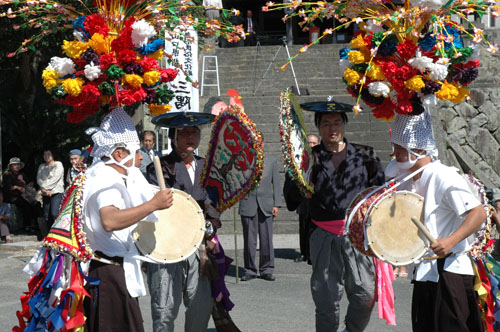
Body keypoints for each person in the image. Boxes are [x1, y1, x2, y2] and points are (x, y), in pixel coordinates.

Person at [283, 100, 385, 332]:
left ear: (345, 124)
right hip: (323, 235)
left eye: (337, 122)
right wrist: (300, 182)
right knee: (326, 298)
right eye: (326, 123)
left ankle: (352, 329)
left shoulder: (365, 154)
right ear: (319, 127)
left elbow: (380, 193)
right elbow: (291, 200)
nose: (332, 128)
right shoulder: (307, 159)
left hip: (357, 236)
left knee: (365, 293)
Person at [390, 111, 486, 332]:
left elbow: (478, 213)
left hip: (450, 269)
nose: (394, 153)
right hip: (424, 270)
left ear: (418, 148)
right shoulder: (404, 178)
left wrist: (451, 241)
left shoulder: (443, 175)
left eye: (399, 147)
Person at [82, 107, 174, 332]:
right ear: (119, 154)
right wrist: (153, 205)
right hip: (108, 273)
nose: (141, 156)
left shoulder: (104, 174)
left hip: (112, 271)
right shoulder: (106, 179)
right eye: (136, 151)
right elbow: (110, 220)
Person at [145, 113, 221, 332]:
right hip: (167, 244)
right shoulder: (159, 168)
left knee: (200, 305)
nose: (190, 137)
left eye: (194, 132)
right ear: (173, 137)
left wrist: (210, 230)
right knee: (164, 308)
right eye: (185, 132)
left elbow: (214, 206)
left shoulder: (207, 167)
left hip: (198, 244)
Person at [238, 147, 282, 281]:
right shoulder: (242, 159)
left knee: (266, 239)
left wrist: (277, 204)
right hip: (248, 202)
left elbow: (277, 183)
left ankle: (267, 269)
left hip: (266, 204)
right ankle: (250, 270)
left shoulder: (271, 160)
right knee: (249, 241)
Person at [294, 133, 319, 263]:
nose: (311, 145)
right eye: (309, 142)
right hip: (303, 197)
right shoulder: (300, 158)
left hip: (316, 197)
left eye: (314, 143)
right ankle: (303, 252)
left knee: (313, 227)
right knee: (303, 226)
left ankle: (311, 253)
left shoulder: (321, 158)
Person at [3, 157, 38, 232]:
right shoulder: (7, 175)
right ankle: (27, 225)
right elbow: (7, 187)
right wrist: (17, 187)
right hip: (13, 197)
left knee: (36, 203)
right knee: (26, 205)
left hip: (24, 195)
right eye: (14, 165)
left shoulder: (21, 174)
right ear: (11, 166)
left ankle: (36, 224)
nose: (17, 166)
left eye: (18, 164)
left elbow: (27, 182)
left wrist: (30, 184)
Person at [37, 149, 65, 229]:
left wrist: (45, 188)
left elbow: (56, 178)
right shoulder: (41, 166)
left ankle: (59, 232)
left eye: (48, 154)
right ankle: (50, 234)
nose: (46, 156)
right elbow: (39, 178)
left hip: (56, 192)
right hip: (45, 192)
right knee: (47, 215)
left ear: (53, 155)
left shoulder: (58, 164)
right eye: (45, 155)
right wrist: (43, 189)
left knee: (54, 213)